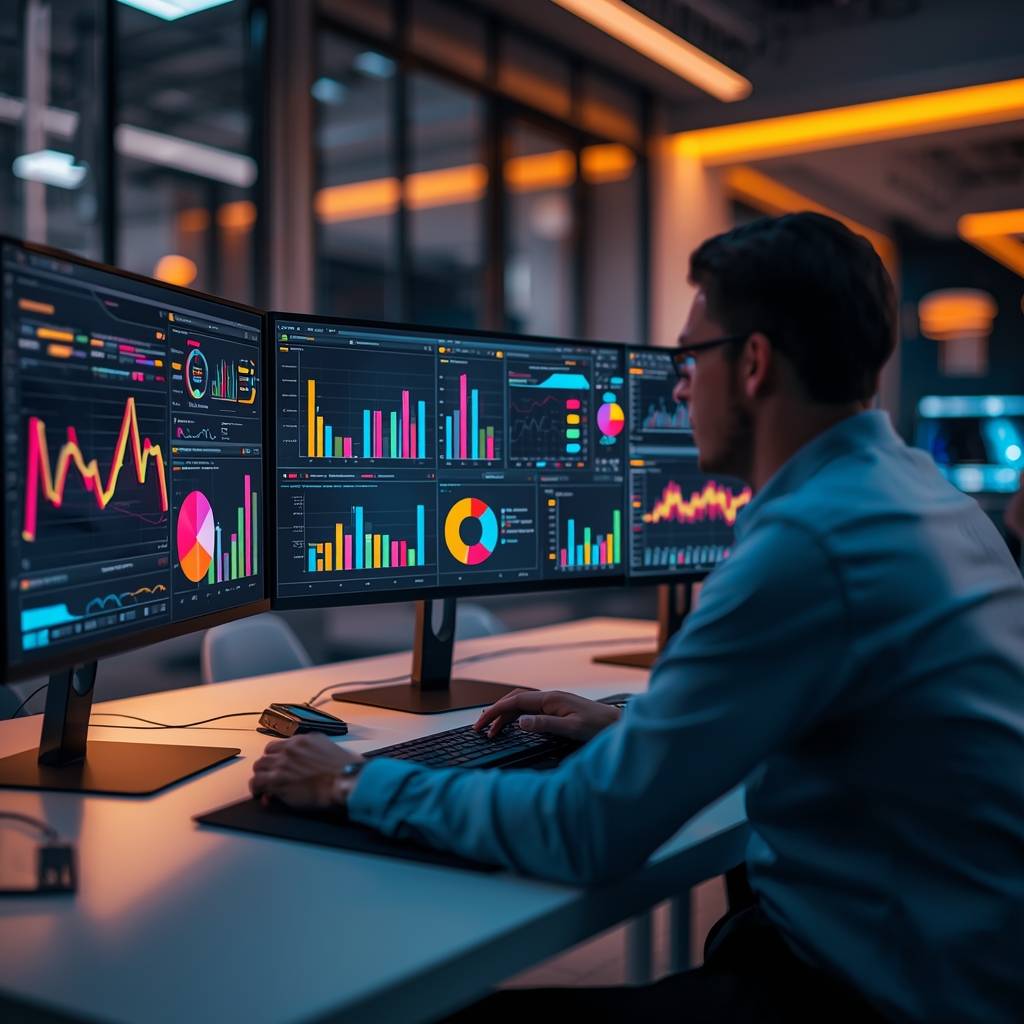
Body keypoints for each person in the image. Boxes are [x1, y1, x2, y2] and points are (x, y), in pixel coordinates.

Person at [251, 213, 1024, 1024]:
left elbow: (585, 832)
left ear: (754, 363)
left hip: (888, 992)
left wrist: (353, 781)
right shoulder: (934, 501)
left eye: (691, 357)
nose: (679, 385)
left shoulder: (808, 545)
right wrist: (635, 733)